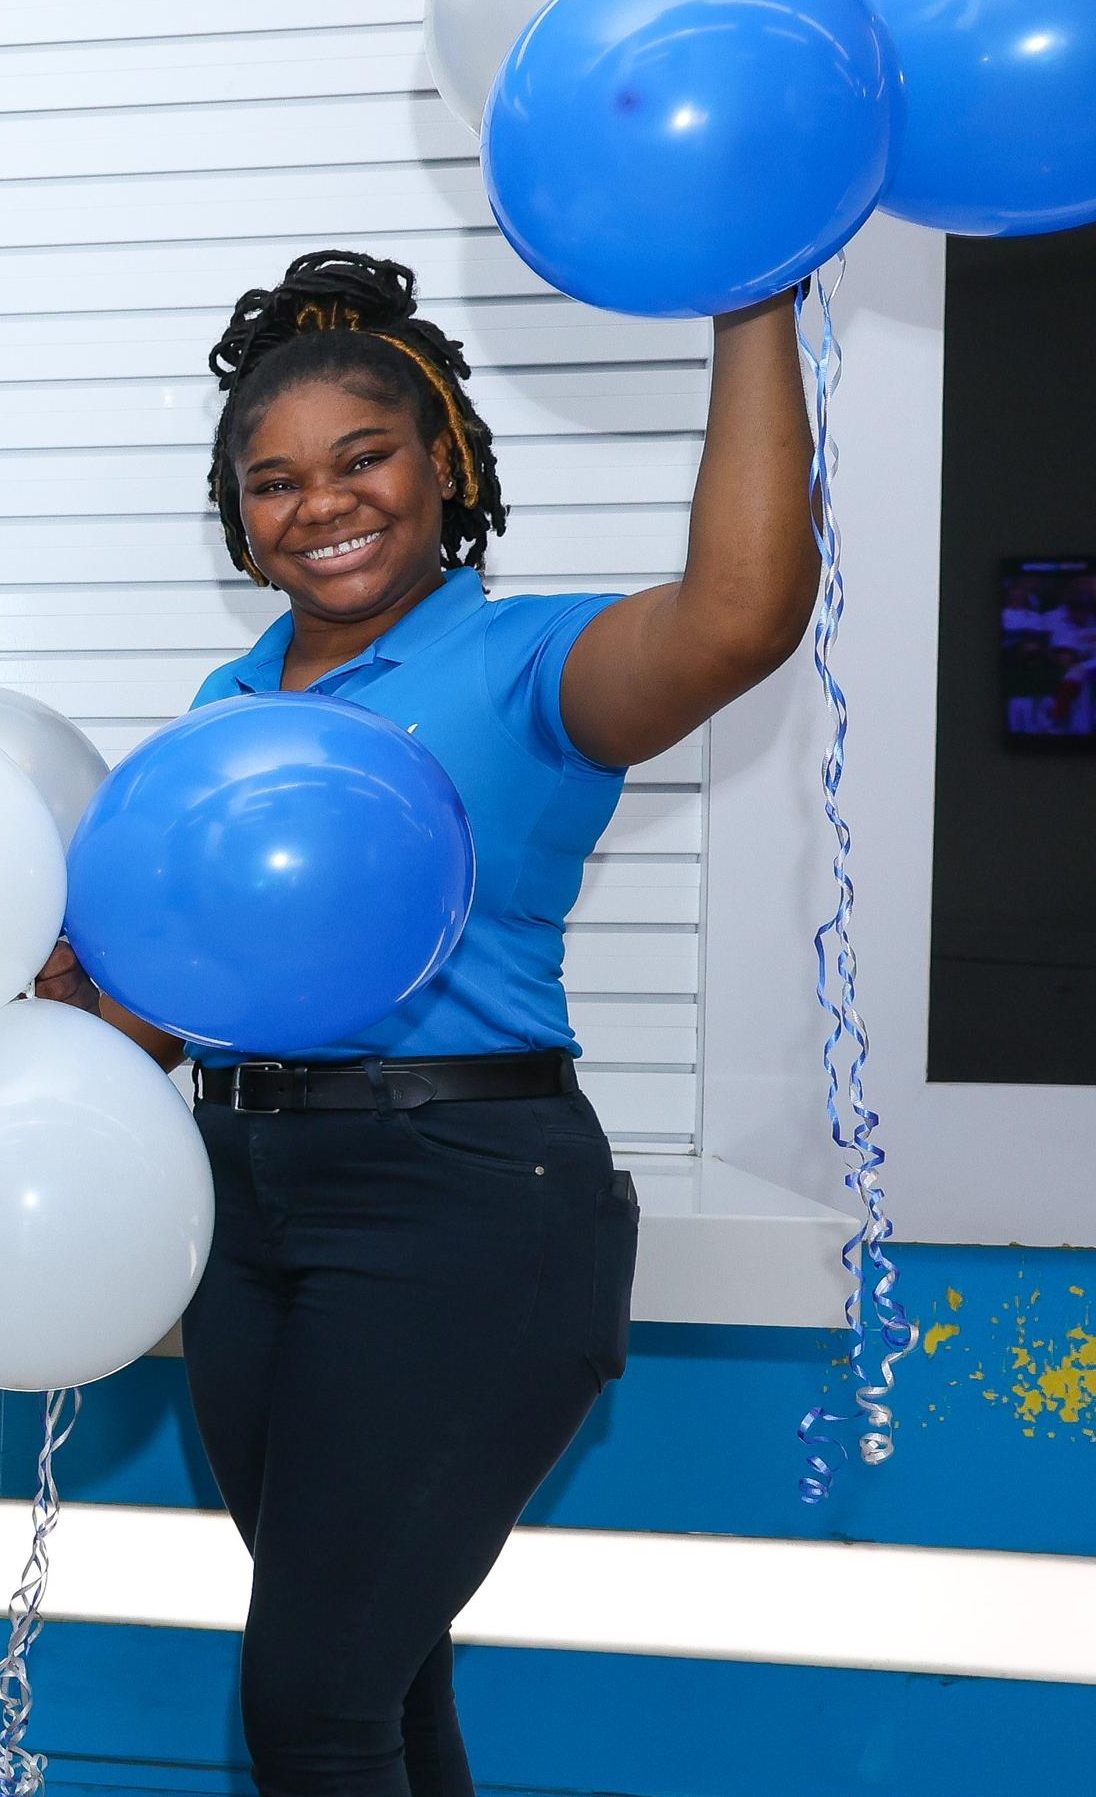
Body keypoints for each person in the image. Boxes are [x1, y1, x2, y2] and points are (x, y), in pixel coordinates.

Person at [41, 251, 811, 1797]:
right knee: (379, 1680)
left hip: (464, 1197)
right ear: (237, 517)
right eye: (273, 480)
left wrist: (751, 296)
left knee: (312, 1703)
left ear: (446, 461)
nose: (320, 502)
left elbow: (738, 617)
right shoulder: (227, 700)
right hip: (245, 1204)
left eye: (363, 456)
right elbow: (188, 1002)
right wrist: (65, 1006)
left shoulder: (521, 667)